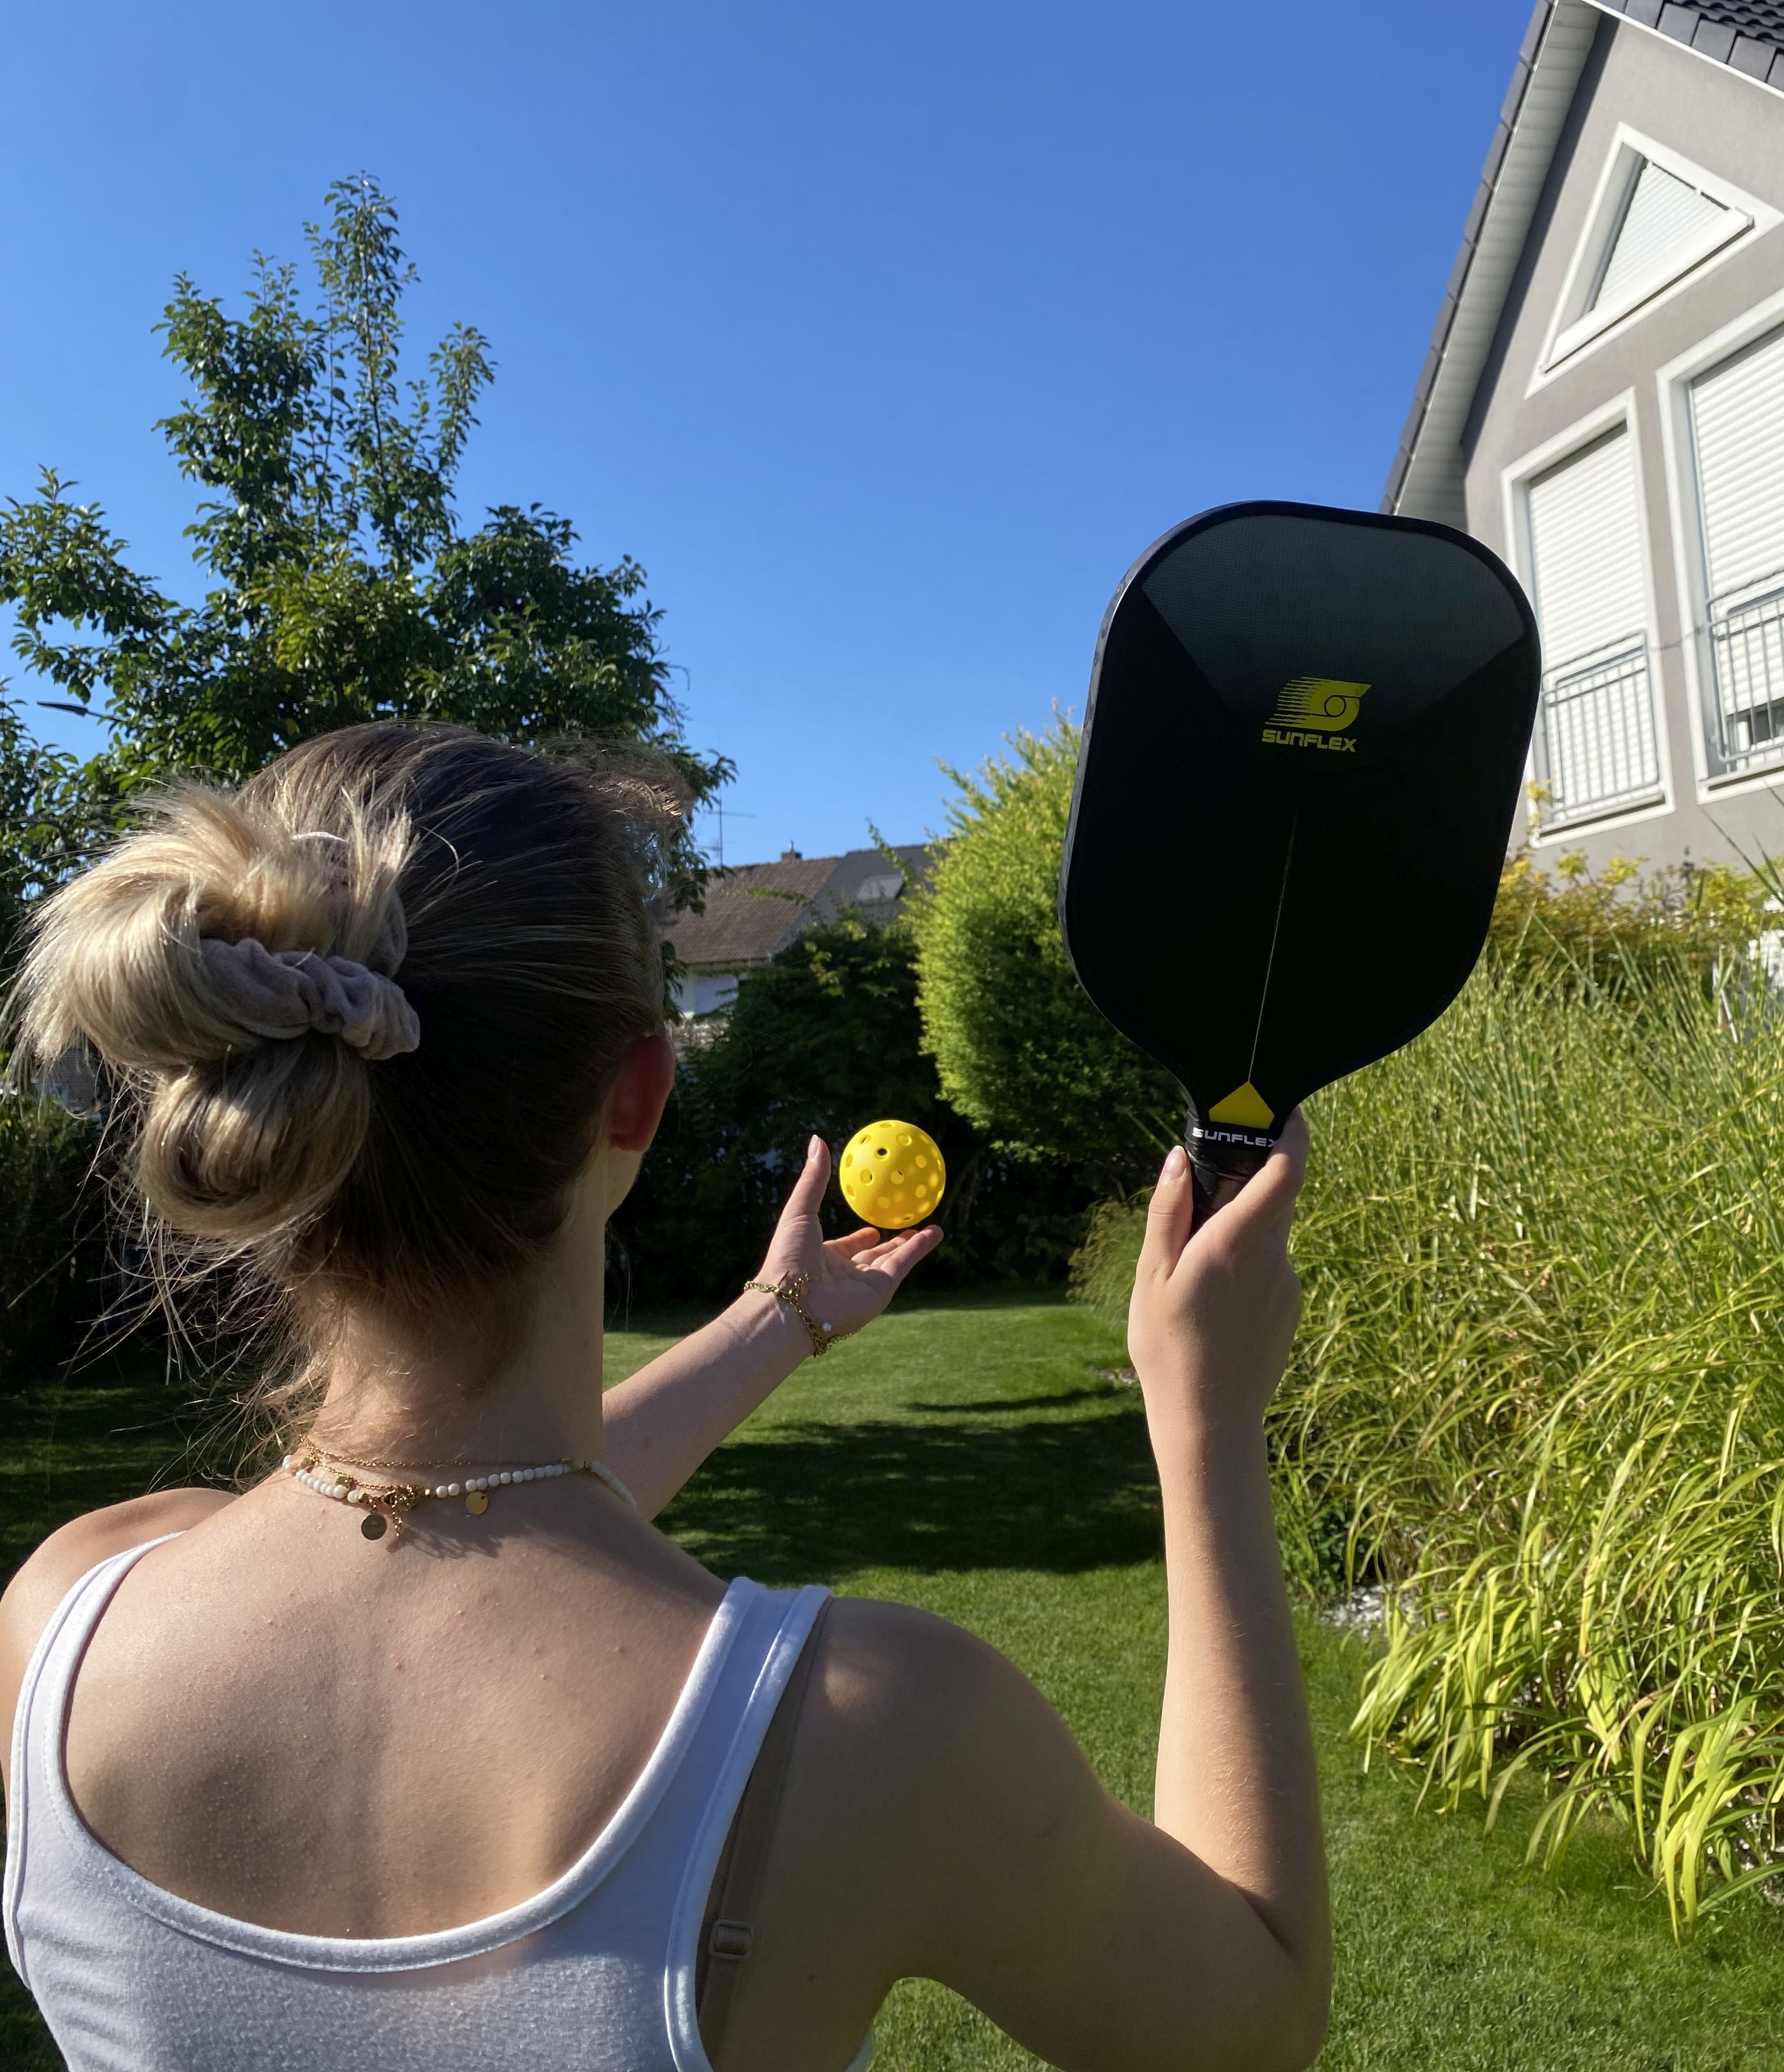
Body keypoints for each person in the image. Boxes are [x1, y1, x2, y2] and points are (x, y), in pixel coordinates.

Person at [0, 723, 1329, 2072]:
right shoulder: (870, 1736)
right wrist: (1207, 1423)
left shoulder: (64, 1624)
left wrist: (778, 1316)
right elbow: (1253, 2017)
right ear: (638, 1093)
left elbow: (478, 1517)